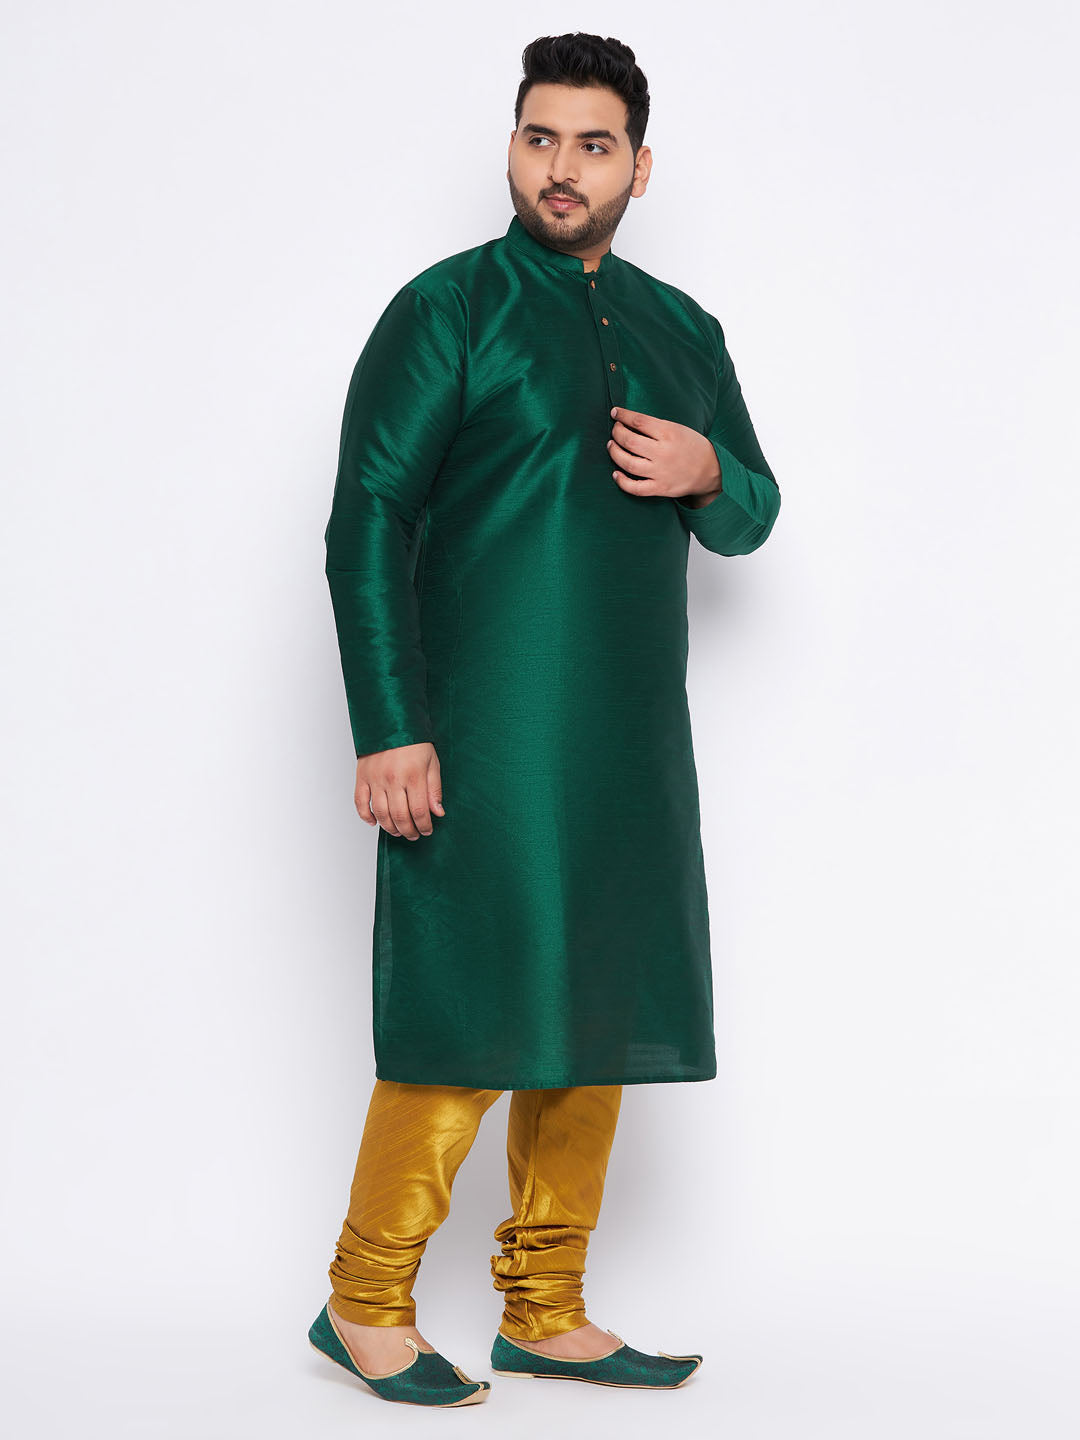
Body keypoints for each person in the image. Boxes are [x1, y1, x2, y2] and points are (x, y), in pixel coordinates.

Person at [308, 32, 781, 1409]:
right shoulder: (447, 308)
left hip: (627, 745)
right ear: (512, 146)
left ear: (640, 165)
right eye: (538, 138)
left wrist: (709, 469)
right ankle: (363, 1302)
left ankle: (546, 1307)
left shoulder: (685, 330)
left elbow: (752, 514)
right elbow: (367, 520)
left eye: (592, 144)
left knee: (595, 1013)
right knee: (467, 1006)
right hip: (478, 734)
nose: (561, 168)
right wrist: (389, 725)